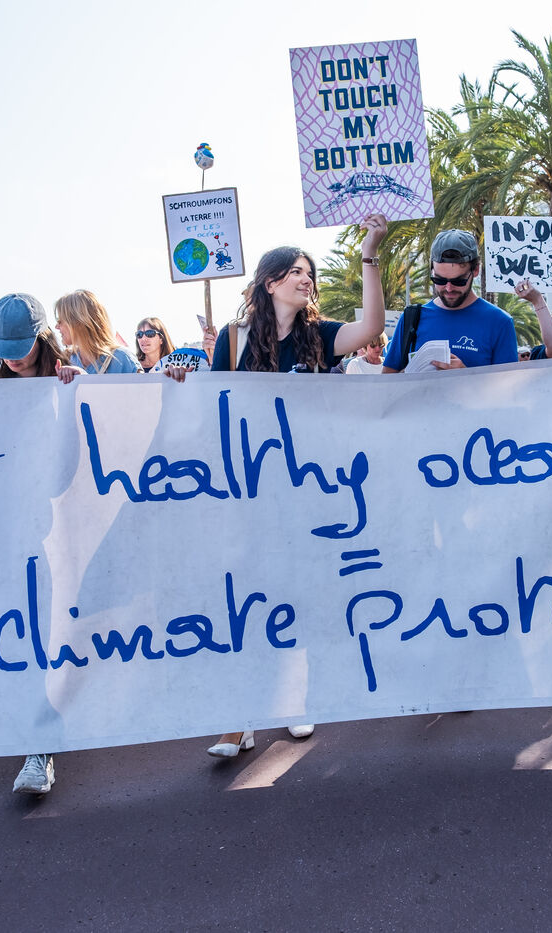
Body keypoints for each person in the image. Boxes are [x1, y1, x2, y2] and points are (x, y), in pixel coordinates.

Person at [169, 214, 389, 756]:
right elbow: (214, 405)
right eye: (296, 272)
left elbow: (371, 328)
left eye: (310, 273)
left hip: (307, 490)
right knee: (247, 600)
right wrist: (181, 381)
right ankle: (240, 718)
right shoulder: (234, 337)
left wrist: (369, 254)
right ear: (269, 283)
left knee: (303, 595)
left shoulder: (320, 335)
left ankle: (297, 699)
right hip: (250, 492)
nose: (306, 279)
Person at [0, 292, 69, 794]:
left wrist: (78, 394)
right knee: (15, 633)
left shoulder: (69, 381)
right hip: (0, 532)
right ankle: (35, 739)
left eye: (22, 346)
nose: (12, 357)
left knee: (47, 633)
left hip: (56, 531)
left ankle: (41, 747)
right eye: (5, 348)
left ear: (42, 338)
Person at [381, 229, 518, 371]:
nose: (449, 288)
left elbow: (509, 384)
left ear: (476, 270)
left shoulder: (499, 322)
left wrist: (464, 376)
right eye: (439, 280)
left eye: (458, 281)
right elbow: (388, 379)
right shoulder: (412, 318)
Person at [53, 290, 137, 381]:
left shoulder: (123, 358)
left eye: (60, 321)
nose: (56, 326)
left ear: (78, 322)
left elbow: (143, 389)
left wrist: (84, 379)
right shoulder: (66, 360)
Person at [0, 294, 66, 380]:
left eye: (18, 348)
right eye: (4, 348)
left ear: (42, 340)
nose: (11, 359)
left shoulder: (69, 374)